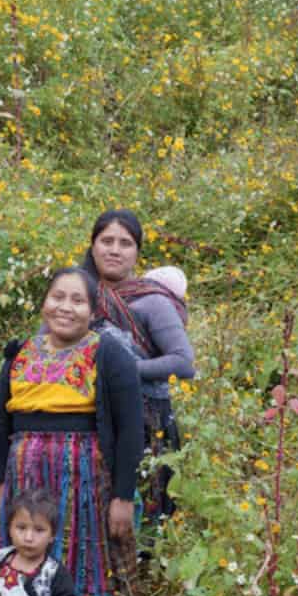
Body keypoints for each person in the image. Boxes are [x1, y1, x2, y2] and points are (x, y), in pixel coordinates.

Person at [0, 267, 143, 596]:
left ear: (93, 310)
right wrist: (0, 482)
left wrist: (122, 495)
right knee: (22, 568)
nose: (66, 307)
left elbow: (132, 427)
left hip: (81, 480)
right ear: (44, 302)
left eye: (78, 300)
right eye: (58, 297)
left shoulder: (108, 353)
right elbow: (0, 421)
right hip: (24, 477)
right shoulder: (20, 352)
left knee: (84, 572)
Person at [82, 209, 195, 526]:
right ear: (93, 246)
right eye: (106, 241)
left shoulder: (151, 302)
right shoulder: (78, 295)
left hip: (145, 422)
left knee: (141, 519)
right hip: (89, 418)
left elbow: (183, 362)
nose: (114, 250)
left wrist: (123, 372)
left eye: (125, 243)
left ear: (137, 253)